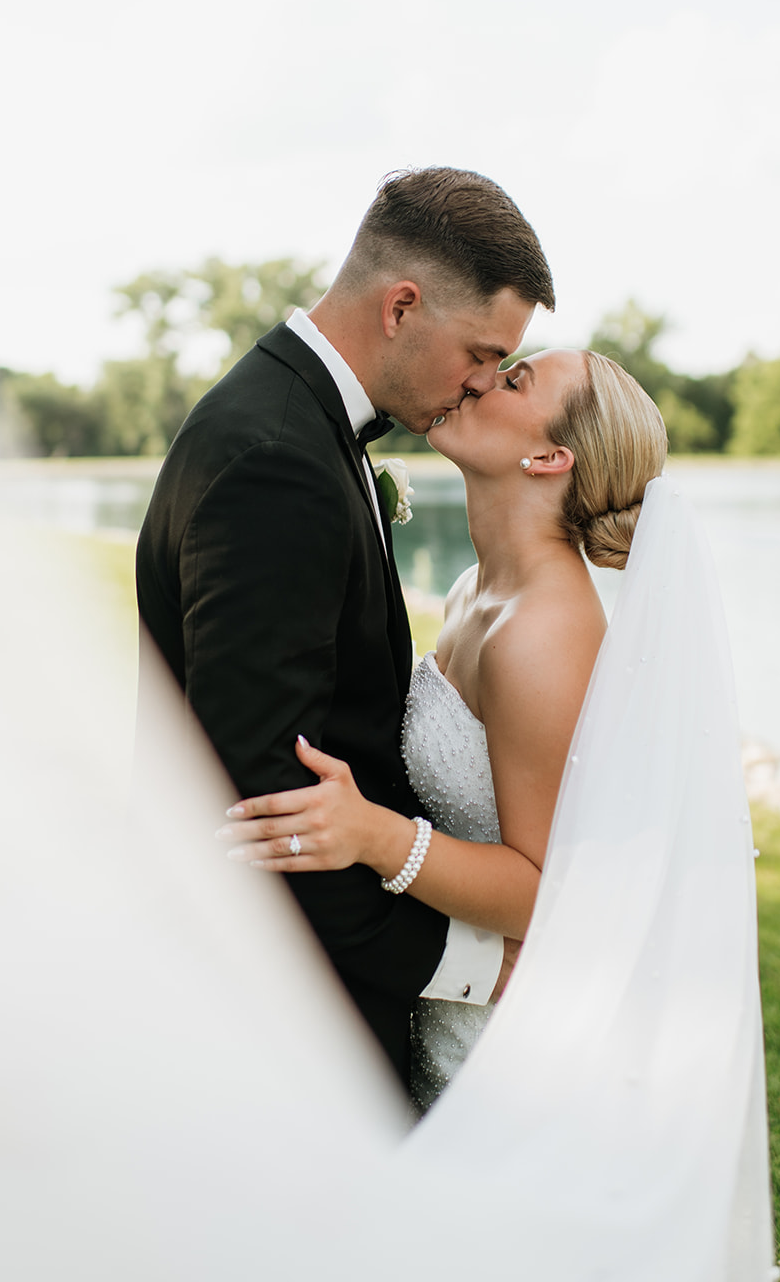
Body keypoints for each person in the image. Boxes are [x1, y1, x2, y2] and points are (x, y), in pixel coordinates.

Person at [135, 165, 555, 1089]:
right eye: (482, 352)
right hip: (286, 1017)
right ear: (402, 305)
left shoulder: (301, 424)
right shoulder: (277, 460)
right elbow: (264, 805)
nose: (483, 384)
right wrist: (467, 966)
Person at [222, 345, 668, 1109]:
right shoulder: (474, 591)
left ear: (548, 456)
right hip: (446, 1011)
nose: (481, 378)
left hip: (512, 1049)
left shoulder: (542, 634)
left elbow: (547, 891)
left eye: (515, 378)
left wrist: (374, 837)